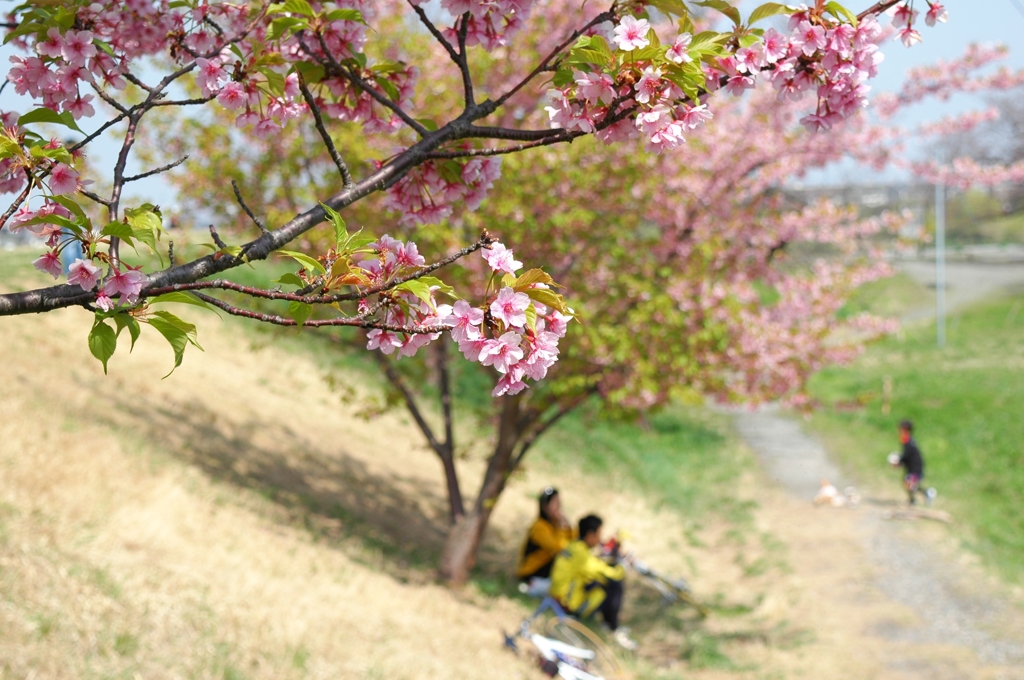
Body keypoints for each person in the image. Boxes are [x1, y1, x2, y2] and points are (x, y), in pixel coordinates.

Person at [550, 514, 637, 651]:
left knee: (599, 583)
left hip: (557, 597)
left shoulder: (574, 546)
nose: (600, 539)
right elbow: (609, 574)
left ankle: (611, 624)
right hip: (567, 606)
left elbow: (593, 565)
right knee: (611, 586)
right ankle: (613, 627)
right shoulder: (582, 555)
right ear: (590, 535)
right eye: (598, 535)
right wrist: (623, 564)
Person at [517, 487, 574, 597]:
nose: (558, 507)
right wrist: (563, 527)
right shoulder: (539, 527)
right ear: (545, 507)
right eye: (555, 503)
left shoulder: (554, 525)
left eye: (559, 503)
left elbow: (573, 541)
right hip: (531, 571)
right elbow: (559, 548)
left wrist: (567, 527)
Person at [890, 419, 934, 505]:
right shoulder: (907, 440)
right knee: (907, 483)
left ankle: (926, 493)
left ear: (905, 429)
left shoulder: (907, 440)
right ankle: (913, 500)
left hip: (915, 467)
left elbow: (907, 454)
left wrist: (899, 461)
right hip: (912, 466)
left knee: (909, 484)